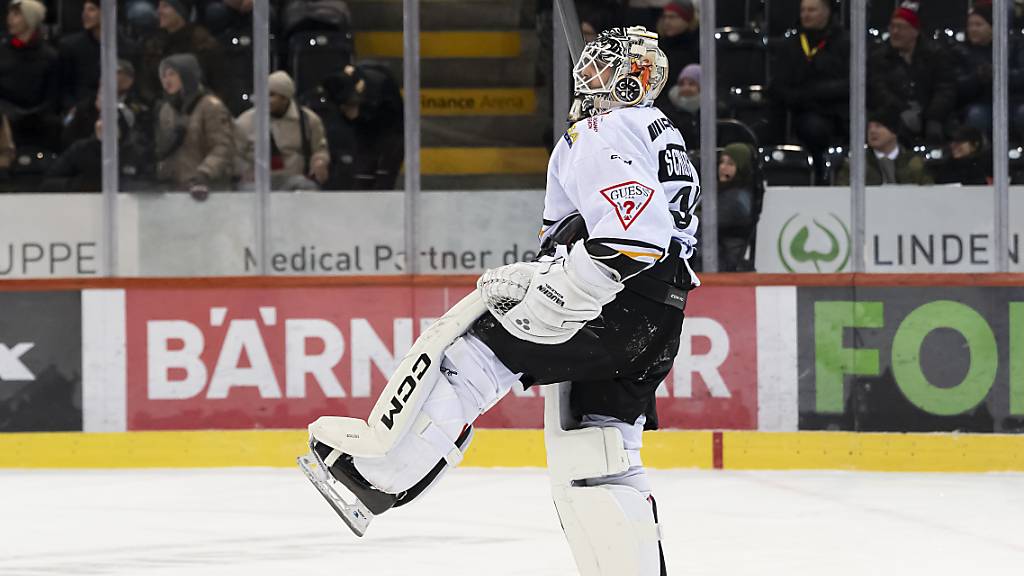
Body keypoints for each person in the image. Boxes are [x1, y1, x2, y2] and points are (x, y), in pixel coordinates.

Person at [305, 27, 698, 576]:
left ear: (630, 81)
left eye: (605, 69)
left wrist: (562, 289)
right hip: (660, 311)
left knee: (472, 354)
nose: (588, 75)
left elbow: (634, 237)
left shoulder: (603, 128)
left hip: (611, 298)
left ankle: (374, 476)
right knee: (599, 456)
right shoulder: (659, 133)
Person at [867, 1, 956, 145]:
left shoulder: (935, 55)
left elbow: (945, 88)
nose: (895, 32)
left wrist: (933, 116)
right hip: (894, 115)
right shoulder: (880, 57)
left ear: (915, 31)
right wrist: (901, 110)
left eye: (901, 27)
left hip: (932, 114)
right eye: (893, 27)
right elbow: (879, 89)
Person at [770, 0, 849, 161]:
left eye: (812, 10)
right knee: (813, 128)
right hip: (806, 112)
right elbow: (779, 87)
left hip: (840, 111)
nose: (806, 14)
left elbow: (852, 84)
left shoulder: (845, 43)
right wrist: (807, 96)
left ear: (827, 12)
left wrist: (816, 92)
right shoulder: (790, 45)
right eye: (803, 10)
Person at [153, 53, 235, 198]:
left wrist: (204, 173)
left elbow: (223, 146)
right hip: (173, 190)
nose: (166, 80)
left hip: (207, 191)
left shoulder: (210, 106)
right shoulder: (166, 109)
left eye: (171, 74)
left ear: (186, 75)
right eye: (163, 76)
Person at [311, 63, 403, 190]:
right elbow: (346, 118)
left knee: (384, 178)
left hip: (392, 130)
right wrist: (351, 116)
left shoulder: (377, 84)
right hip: (364, 133)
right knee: (362, 177)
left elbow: (391, 117)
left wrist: (361, 112)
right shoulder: (340, 88)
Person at [234, 70, 330, 190]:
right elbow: (234, 155)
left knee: (307, 187)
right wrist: (245, 172)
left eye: (272, 95)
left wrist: (319, 161)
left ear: (285, 98)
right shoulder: (245, 121)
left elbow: (320, 149)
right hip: (257, 182)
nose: (266, 99)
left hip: (294, 182)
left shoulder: (308, 120)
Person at [0, 0, 59, 151]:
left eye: (16, 14)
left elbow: (53, 95)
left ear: (30, 19)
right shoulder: (2, 52)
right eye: (10, 14)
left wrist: (33, 114)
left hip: (39, 120)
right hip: (5, 117)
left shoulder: (50, 56)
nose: (10, 19)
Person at [139, 0, 225, 104]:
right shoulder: (154, 43)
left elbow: (218, 84)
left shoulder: (202, 43)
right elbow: (146, 85)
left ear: (180, 12)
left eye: (165, 6)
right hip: (162, 109)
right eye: (159, 6)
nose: (158, 11)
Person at [837, 111, 933, 185]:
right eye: (869, 127)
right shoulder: (856, 164)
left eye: (878, 126)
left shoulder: (914, 162)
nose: (872, 131)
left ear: (893, 132)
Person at [714, 143, 757, 271]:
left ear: (742, 167)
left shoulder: (737, 197)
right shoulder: (723, 191)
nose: (723, 167)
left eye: (730, 164)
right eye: (722, 162)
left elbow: (707, 222)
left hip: (725, 262)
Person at [655, 0, 699, 109]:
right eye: (664, 17)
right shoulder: (658, 47)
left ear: (687, 20)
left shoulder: (696, 46)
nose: (667, 22)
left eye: (672, 17)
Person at [660, 63, 700, 148]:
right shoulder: (667, 112)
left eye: (691, 84)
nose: (686, 88)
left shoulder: (712, 111)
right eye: (682, 84)